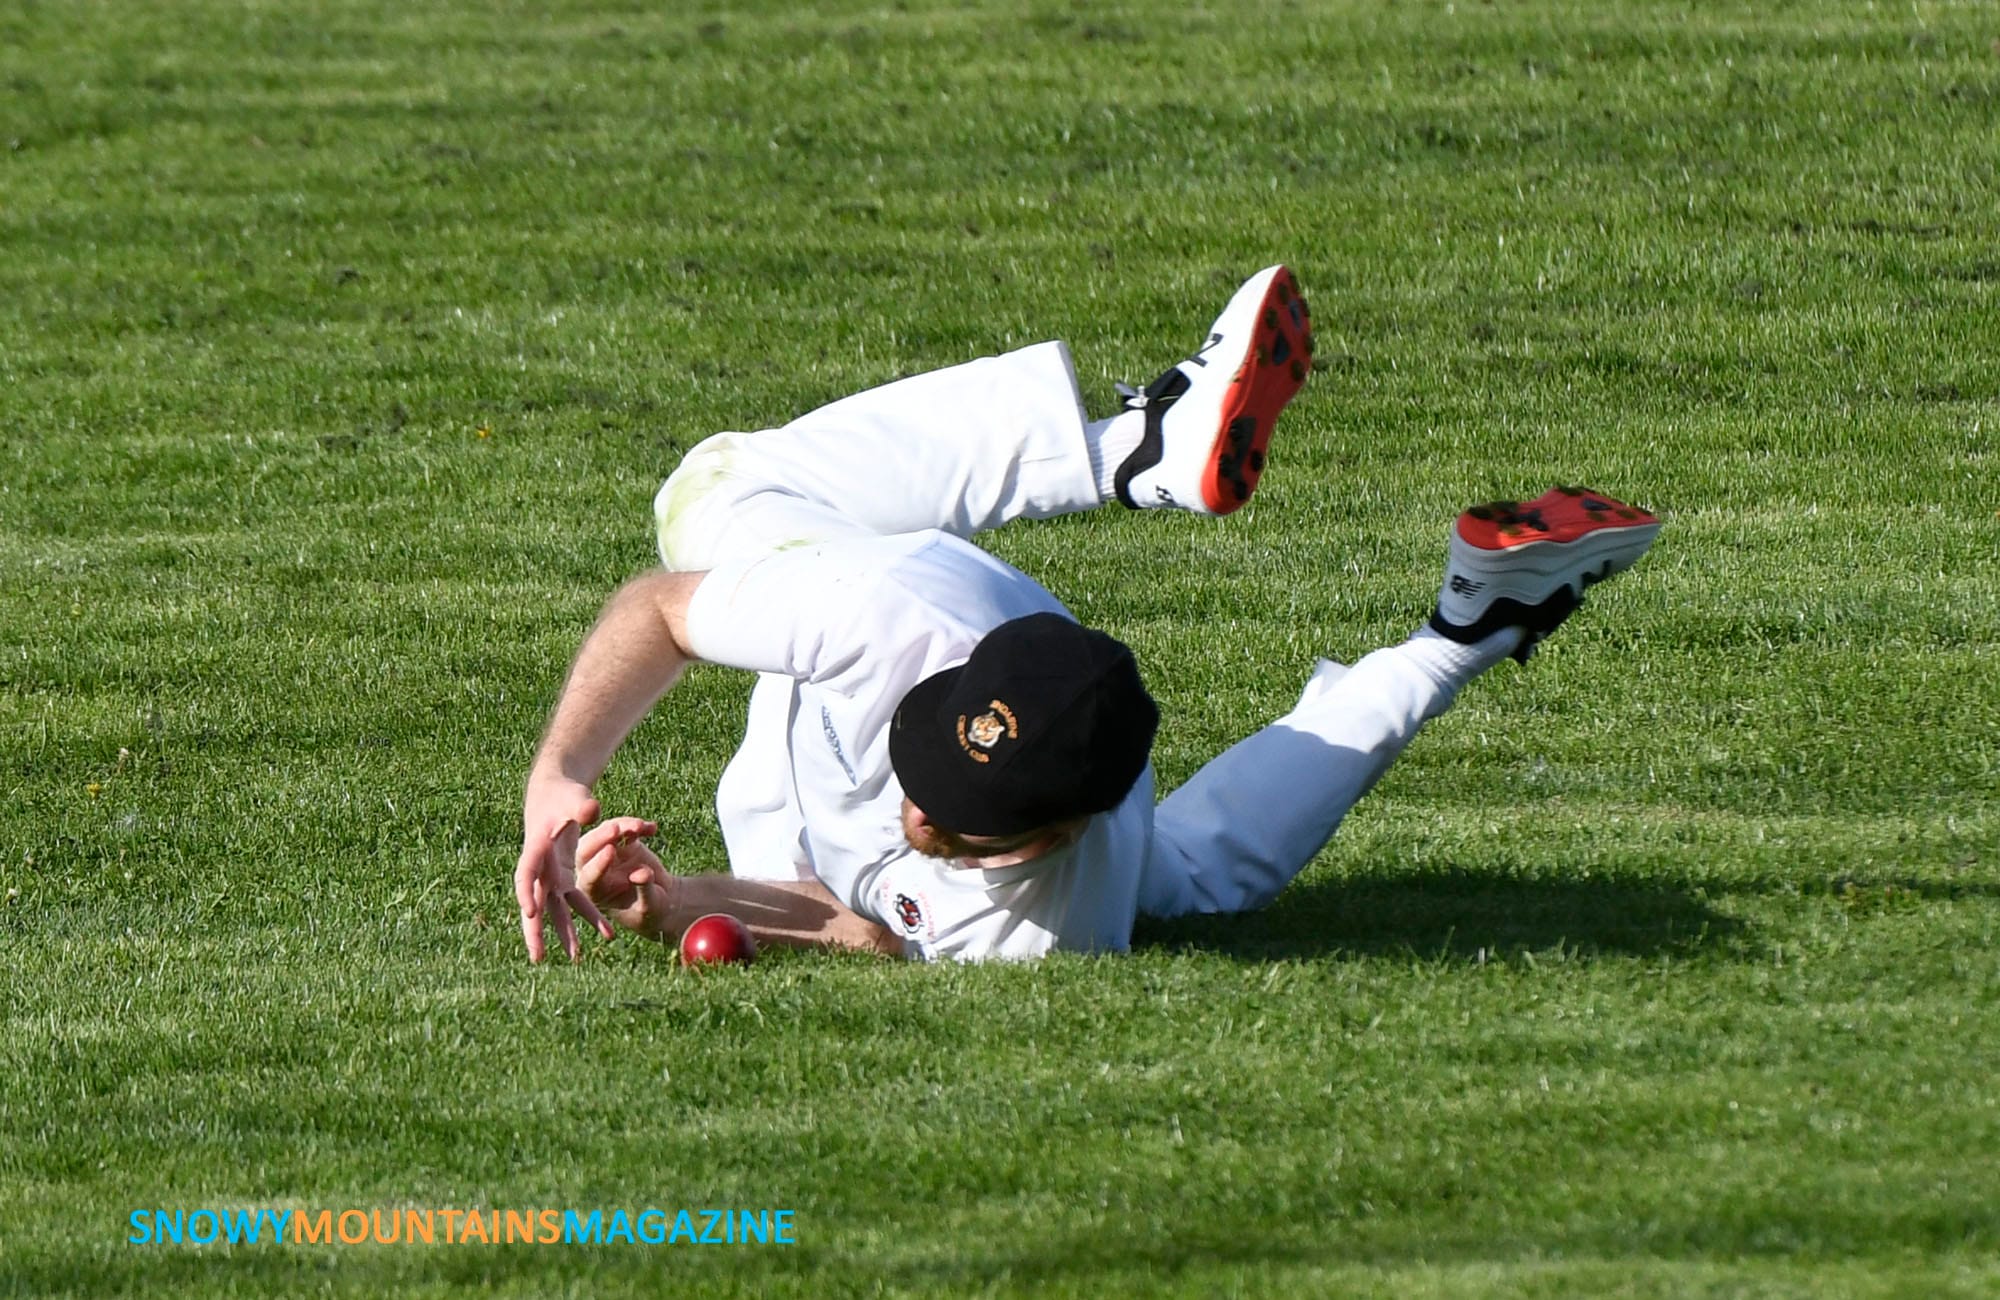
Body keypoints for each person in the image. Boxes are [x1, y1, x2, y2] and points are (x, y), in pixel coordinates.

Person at [512, 265, 1660, 963]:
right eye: (936, 770)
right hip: (909, 589)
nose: (921, 811)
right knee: (711, 504)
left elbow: (871, 924)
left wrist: (672, 903)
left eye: (965, 821)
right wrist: (560, 771)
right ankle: (1148, 456)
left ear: (1055, 839)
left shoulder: (1040, 930)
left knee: (1187, 877)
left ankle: (1459, 621)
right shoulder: (873, 614)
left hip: (1003, 767)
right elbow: (659, 610)